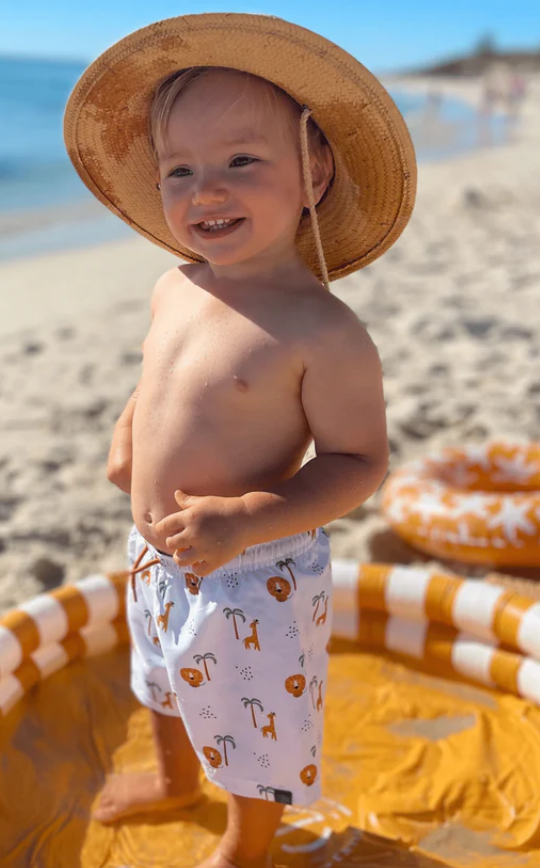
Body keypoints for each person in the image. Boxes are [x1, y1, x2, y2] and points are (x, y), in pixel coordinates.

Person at [64, 13, 415, 868]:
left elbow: (359, 462)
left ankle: (245, 842)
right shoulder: (174, 285)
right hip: (155, 552)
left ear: (314, 172)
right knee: (162, 678)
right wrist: (127, 431)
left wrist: (252, 518)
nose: (204, 190)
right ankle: (176, 779)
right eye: (180, 170)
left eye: (240, 162)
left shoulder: (323, 333)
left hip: (253, 575)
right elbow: (156, 377)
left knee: (256, 724)